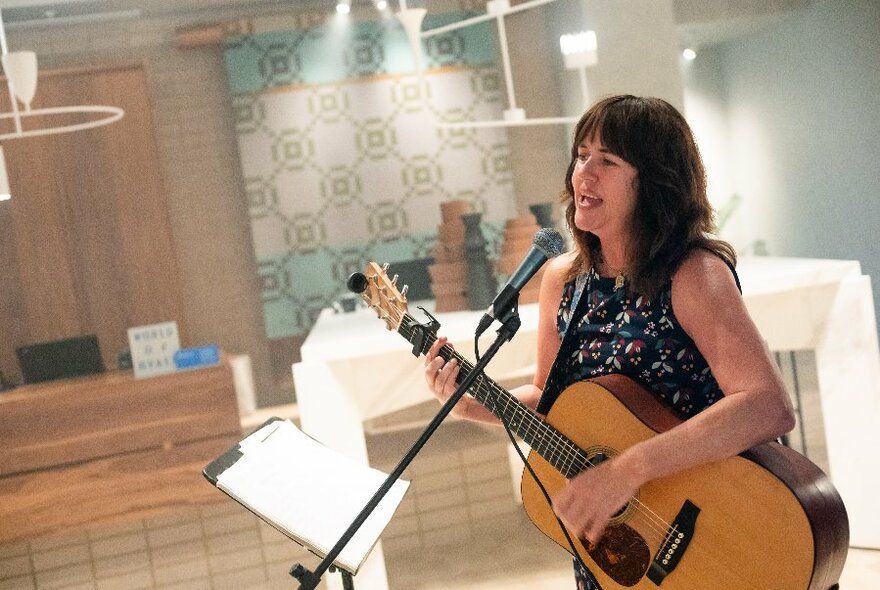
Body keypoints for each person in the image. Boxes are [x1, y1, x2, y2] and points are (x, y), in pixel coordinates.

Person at [423, 95, 796, 588]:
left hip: (711, 526)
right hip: (621, 551)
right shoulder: (564, 281)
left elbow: (767, 407)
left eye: (608, 161)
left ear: (655, 183)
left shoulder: (691, 274)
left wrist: (628, 469)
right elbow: (550, 400)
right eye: (581, 156)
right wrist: (471, 405)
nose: (583, 174)